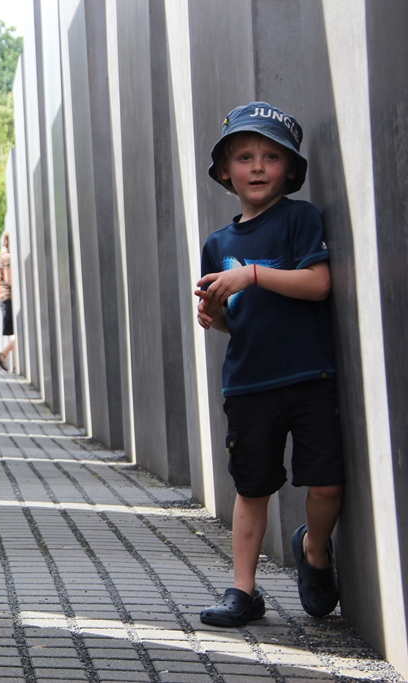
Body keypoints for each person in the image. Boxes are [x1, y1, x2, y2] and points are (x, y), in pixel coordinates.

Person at [194, 102, 343, 627]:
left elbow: (318, 284)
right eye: (244, 157)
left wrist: (252, 275)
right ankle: (243, 591)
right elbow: (234, 318)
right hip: (249, 385)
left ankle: (314, 549)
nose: (257, 167)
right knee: (252, 488)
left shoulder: (300, 219)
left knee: (326, 484)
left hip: (310, 377)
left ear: (290, 169)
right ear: (225, 171)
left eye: (271, 157)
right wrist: (214, 316)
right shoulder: (217, 244)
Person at [0, 233, 15, 372]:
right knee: (18, 333)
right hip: (9, 297)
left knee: (15, 333)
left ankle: (12, 361)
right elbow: (9, 279)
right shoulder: (7, 257)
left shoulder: (1, 255)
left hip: (3, 297)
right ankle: (3, 354)